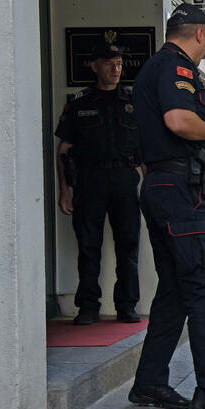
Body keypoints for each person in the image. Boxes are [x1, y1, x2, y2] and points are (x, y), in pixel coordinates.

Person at [128, 2, 205, 409]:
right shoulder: (174, 66)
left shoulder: (154, 69)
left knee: (175, 290)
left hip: (163, 187)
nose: (204, 50)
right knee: (203, 286)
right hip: (182, 193)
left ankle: (148, 383)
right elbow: (179, 121)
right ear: (200, 34)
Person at [55, 41, 142, 325]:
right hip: (89, 180)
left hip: (125, 180)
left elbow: (144, 151)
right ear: (94, 66)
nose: (115, 69)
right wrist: (64, 191)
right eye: (108, 64)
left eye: (118, 64)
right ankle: (88, 307)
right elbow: (64, 151)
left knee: (128, 245)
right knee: (88, 246)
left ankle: (127, 305)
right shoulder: (79, 104)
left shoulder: (133, 102)